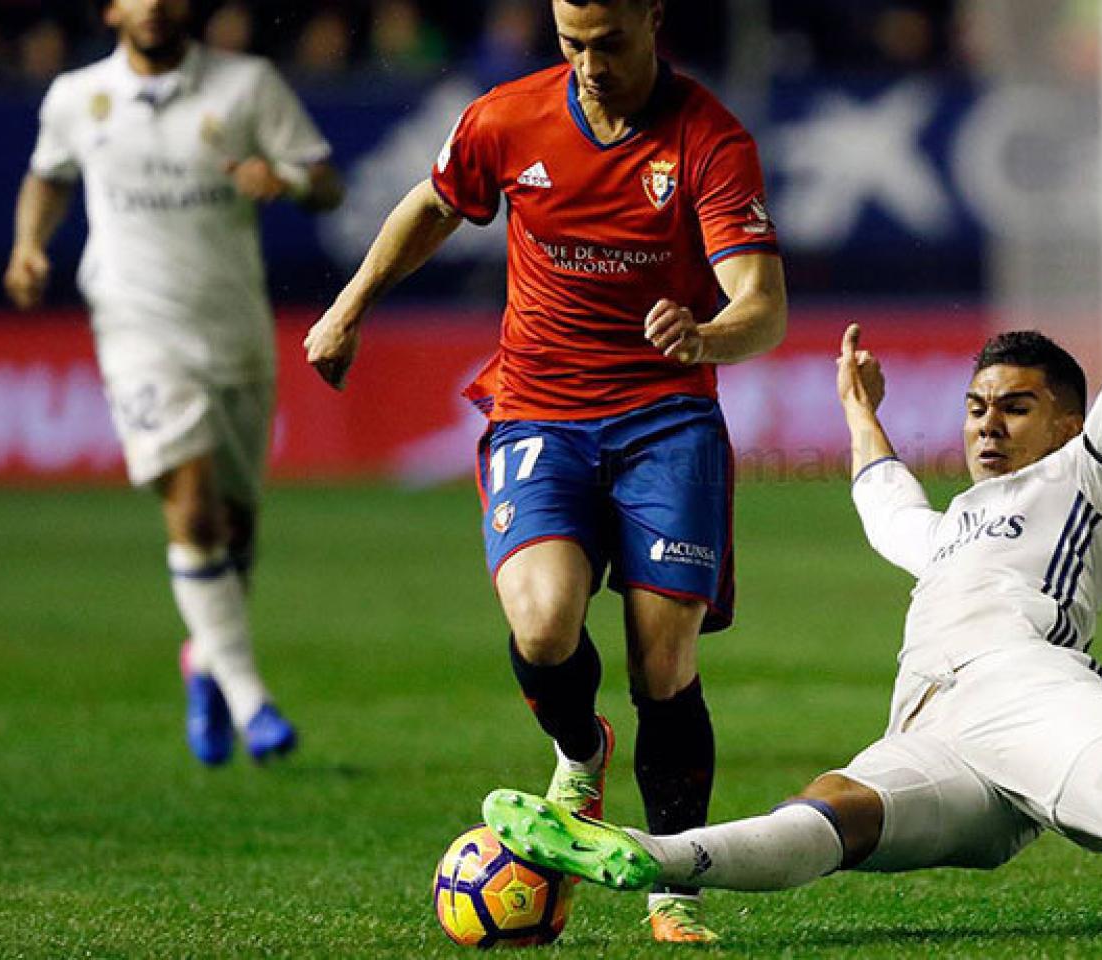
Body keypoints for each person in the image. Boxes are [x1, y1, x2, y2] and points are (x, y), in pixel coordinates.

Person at [477, 78, 1102, 934]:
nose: (985, 425)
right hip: (932, 723)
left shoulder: (1096, 471)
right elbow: (888, 512)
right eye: (974, 407)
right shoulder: (956, 526)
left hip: (1037, 693)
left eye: (1014, 407)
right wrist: (860, 415)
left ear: (1067, 422)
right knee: (832, 812)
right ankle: (638, 856)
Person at [303, 0, 786, 943]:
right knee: (542, 617)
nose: (590, 64)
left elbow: (761, 304)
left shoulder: (710, 141)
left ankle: (673, 883)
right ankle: (581, 749)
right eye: (571, 43)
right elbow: (436, 203)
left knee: (664, 660)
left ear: (654, 17)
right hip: (540, 408)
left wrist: (706, 333)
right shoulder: (507, 117)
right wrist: (351, 304)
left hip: (667, 419)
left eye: (608, 42)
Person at [4, 0, 342, 766]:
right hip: (135, 325)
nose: (154, 5)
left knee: (236, 522)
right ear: (111, 8)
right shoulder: (76, 96)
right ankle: (252, 700)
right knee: (189, 504)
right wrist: (30, 245)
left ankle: (207, 660)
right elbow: (47, 176)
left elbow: (327, 184)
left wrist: (284, 178)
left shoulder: (248, 85)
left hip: (233, 327)